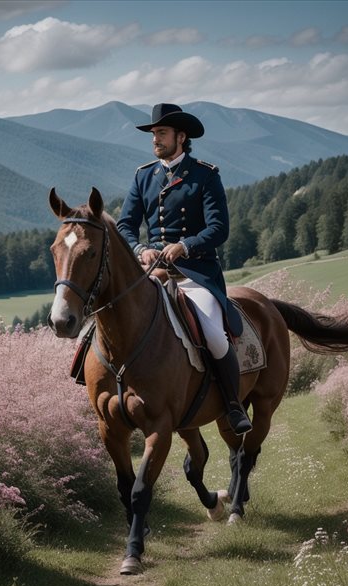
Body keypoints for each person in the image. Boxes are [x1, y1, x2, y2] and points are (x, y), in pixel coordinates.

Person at [117, 103, 252, 435]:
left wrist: (185, 246)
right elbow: (125, 227)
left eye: (161, 133)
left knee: (215, 338)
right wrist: (140, 249)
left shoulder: (205, 174)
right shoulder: (142, 175)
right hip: (150, 274)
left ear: (181, 136)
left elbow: (218, 229)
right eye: (153, 134)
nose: (155, 139)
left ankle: (233, 405)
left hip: (194, 275)